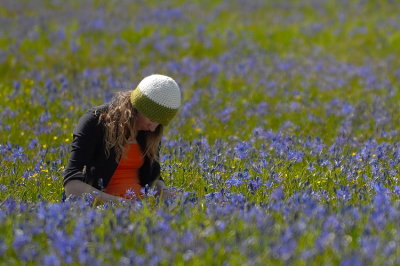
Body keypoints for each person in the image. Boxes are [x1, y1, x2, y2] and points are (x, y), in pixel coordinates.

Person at [63, 74, 181, 203]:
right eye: (152, 119)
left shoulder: (150, 132)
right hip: (102, 212)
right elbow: (72, 186)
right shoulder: (95, 122)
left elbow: (153, 178)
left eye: (159, 123)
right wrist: (123, 204)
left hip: (142, 211)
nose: (153, 128)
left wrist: (165, 193)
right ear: (139, 108)